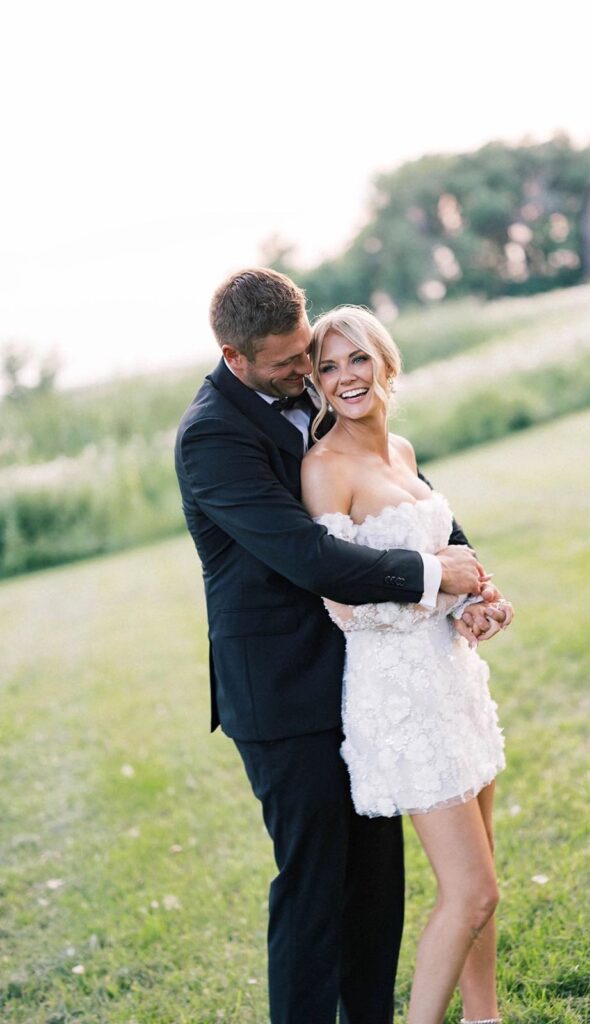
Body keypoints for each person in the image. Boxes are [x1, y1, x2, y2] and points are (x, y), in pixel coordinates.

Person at [174, 268, 509, 1024]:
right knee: (313, 887)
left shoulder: (334, 414)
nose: (307, 376)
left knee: (375, 886)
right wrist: (432, 575)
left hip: (366, 679)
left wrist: (473, 585)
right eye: (293, 365)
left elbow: (417, 506)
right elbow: (309, 559)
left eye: (311, 354)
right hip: (283, 690)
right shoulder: (211, 437)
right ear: (235, 358)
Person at [301, 305, 511, 1024]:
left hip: (453, 679)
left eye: (355, 359)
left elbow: (445, 566)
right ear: (317, 384)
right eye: (327, 367)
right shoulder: (323, 470)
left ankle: (484, 1018)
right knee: (470, 892)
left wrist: (474, 604)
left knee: (485, 885)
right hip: (400, 698)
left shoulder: (404, 453)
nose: (344, 378)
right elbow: (346, 607)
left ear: (385, 363)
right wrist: (438, 585)